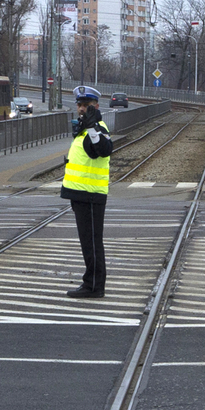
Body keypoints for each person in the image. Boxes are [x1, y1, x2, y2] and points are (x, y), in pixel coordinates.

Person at [61, 85, 113, 299]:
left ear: (96, 106)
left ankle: (94, 285)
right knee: (88, 241)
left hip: (91, 195)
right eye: (80, 105)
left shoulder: (97, 128)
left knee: (92, 241)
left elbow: (105, 149)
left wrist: (92, 128)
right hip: (81, 194)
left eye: (87, 105)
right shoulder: (83, 128)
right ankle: (92, 282)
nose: (82, 109)